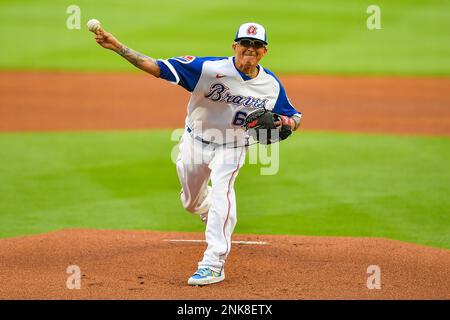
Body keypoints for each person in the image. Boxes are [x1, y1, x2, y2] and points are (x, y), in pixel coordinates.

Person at [92, 22, 302, 286]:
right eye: (245, 43)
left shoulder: (270, 85)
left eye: (256, 45)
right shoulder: (207, 68)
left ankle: (214, 262)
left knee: (223, 192)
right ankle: (207, 209)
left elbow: (294, 115)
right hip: (195, 141)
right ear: (234, 46)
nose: (250, 49)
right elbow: (158, 67)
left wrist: (287, 124)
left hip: (233, 146)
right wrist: (119, 48)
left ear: (264, 51)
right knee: (191, 203)